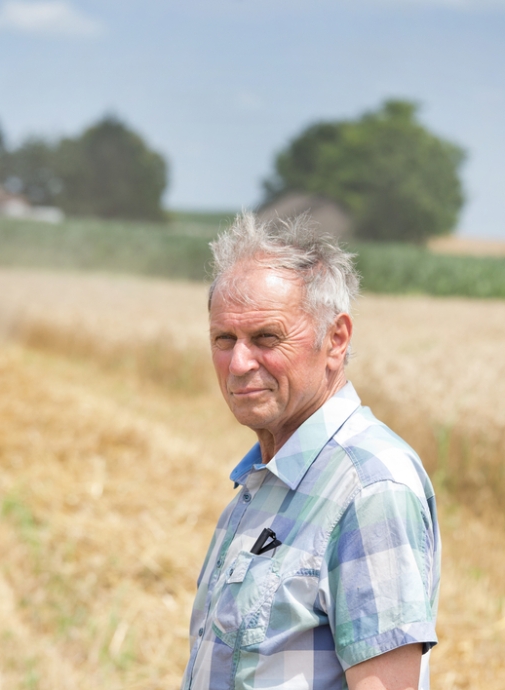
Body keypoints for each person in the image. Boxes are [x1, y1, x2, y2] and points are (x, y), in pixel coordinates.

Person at [181, 212, 440, 690]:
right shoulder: (264, 479)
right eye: (224, 339)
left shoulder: (369, 487)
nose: (238, 363)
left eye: (266, 338)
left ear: (335, 339)